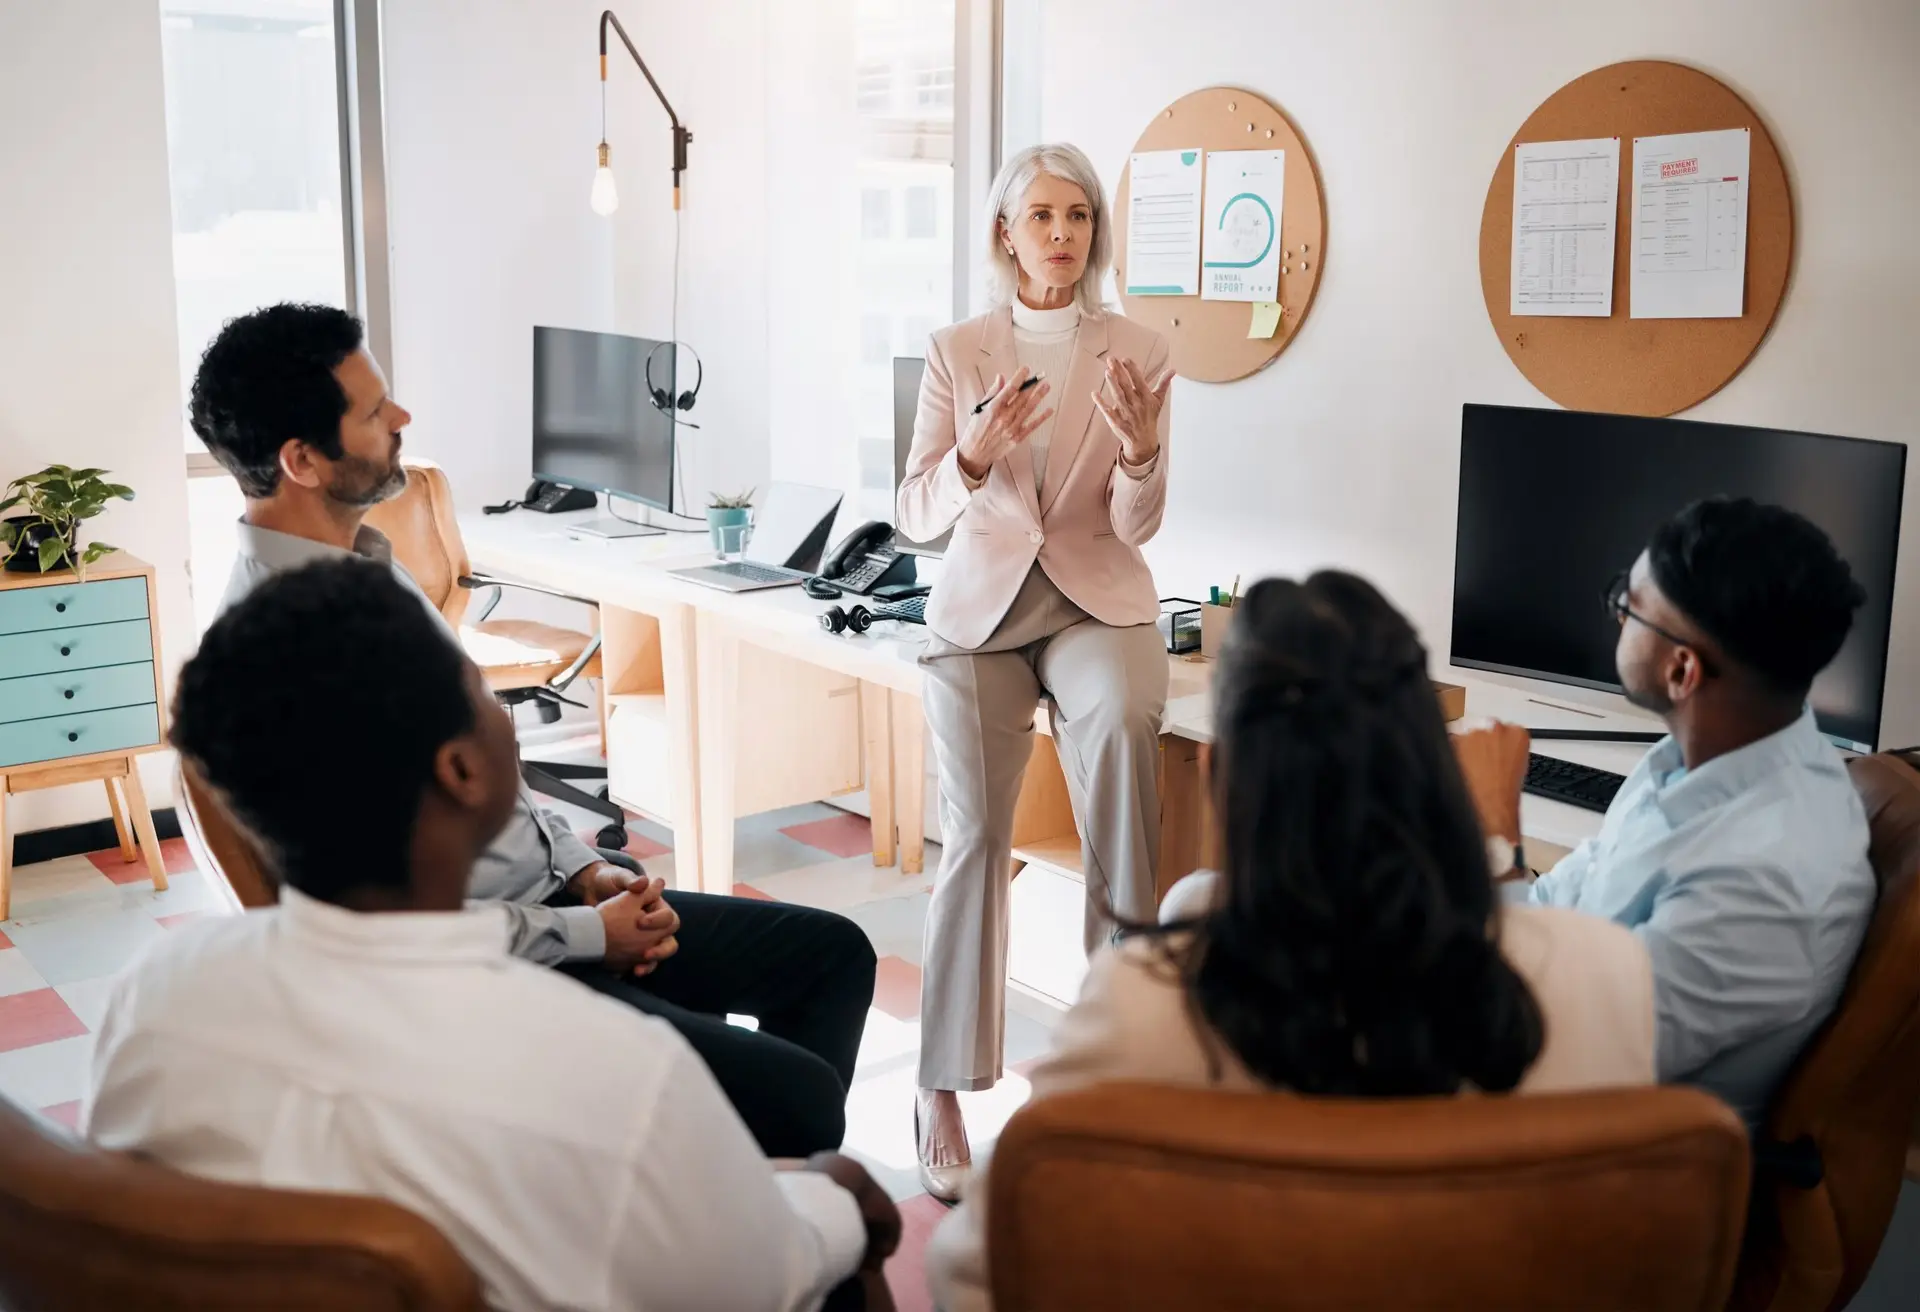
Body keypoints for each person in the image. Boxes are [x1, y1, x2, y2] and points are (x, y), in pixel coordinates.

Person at [86, 559, 900, 1311]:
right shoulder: (619, 1071)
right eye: (486, 695)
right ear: (462, 772)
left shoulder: (152, 996)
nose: (508, 718)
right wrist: (833, 1194)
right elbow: (766, 1276)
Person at [188, 302, 875, 1159]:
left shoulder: (367, 564)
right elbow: (380, 931)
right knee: (800, 1098)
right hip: (491, 971)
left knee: (832, 957)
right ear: (301, 460)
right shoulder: (280, 654)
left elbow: (492, 789)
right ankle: (742, 1193)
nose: (402, 419)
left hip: (553, 902)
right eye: (373, 412)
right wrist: (591, 936)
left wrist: (584, 867)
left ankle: (732, 1186)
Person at [925, 570, 1656, 1311]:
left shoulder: (1152, 994)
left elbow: (973, 1275)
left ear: (1219, 774)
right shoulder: (1607, 975)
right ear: (1439, 762)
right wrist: (1501, 852)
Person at [895, 142, 1174, 1200]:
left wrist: (1143, 457)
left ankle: (1113, 1062)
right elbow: (915, 511)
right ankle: (943, 1084)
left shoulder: (1139, 350)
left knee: (1123, 766)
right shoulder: (958, 349)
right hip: (982, 614)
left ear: (1095, 234)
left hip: (1096, 599)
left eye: (1080, 216)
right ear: (1006, 232)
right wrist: (968, 456)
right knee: (975, 834)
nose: (1063, 233)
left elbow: (1137, 523)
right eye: (1042, 215)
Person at [1454, 496, 1874, 1127]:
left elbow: (1548, 1054)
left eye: (1629, 606)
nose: (1615, 616)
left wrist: (1495, 833)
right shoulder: (1690, 758)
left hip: (1576, 1148)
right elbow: (1569, 901)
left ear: (1682, 669)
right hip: (1525, 1022)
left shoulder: (1767, 880)